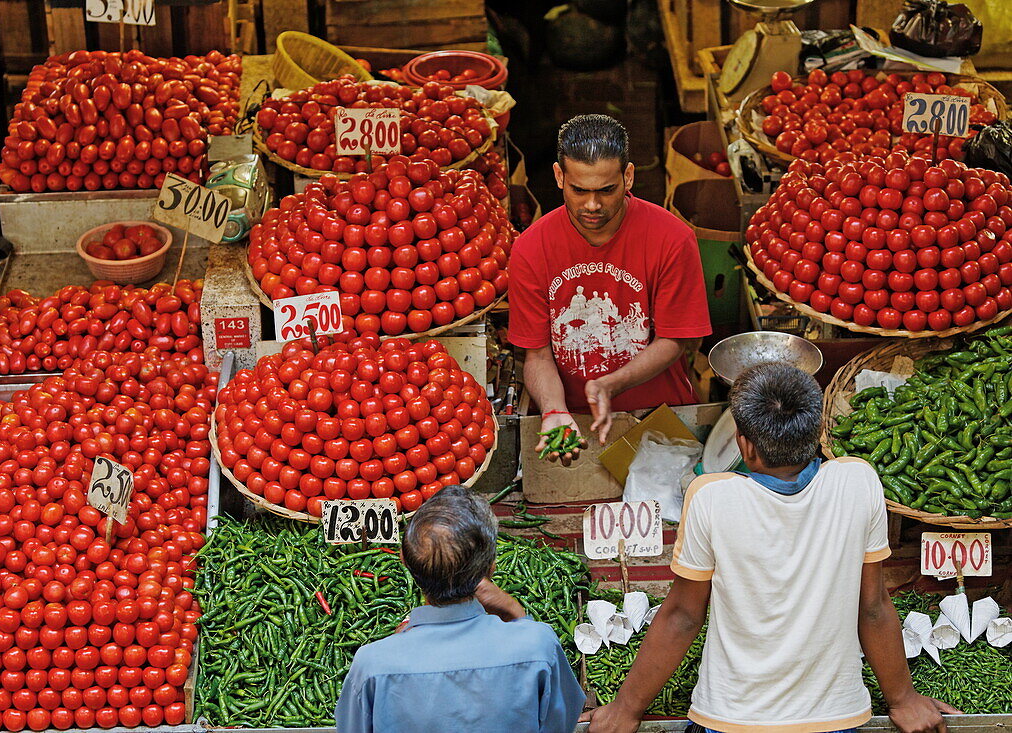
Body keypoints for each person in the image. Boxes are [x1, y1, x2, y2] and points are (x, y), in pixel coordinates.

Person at [582, 363, 959, 733]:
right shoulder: (858, 480)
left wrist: (626, 707)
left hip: (731, 719)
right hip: (834, 718)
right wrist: (903, 698)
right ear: (819, 431)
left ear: (744, 446)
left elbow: (682, 616)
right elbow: (873, 607)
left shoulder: (711, 496)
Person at [508, 114, 712, 463]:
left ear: (628, 176)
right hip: (575, 426)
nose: (592, 205)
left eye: (606, 190)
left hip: (660, 419)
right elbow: (538, 356)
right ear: (559, 177)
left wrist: (610, 383)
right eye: (579, 190)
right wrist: (554, 411)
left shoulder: (673, 239)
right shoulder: (530, 248)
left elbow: (676, 340)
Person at [334, 485, 585, 733]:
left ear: (404, 562)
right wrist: (516, 613)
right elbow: (561, 722)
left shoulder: (372, 664)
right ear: (491, 569)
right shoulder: (538, 645)